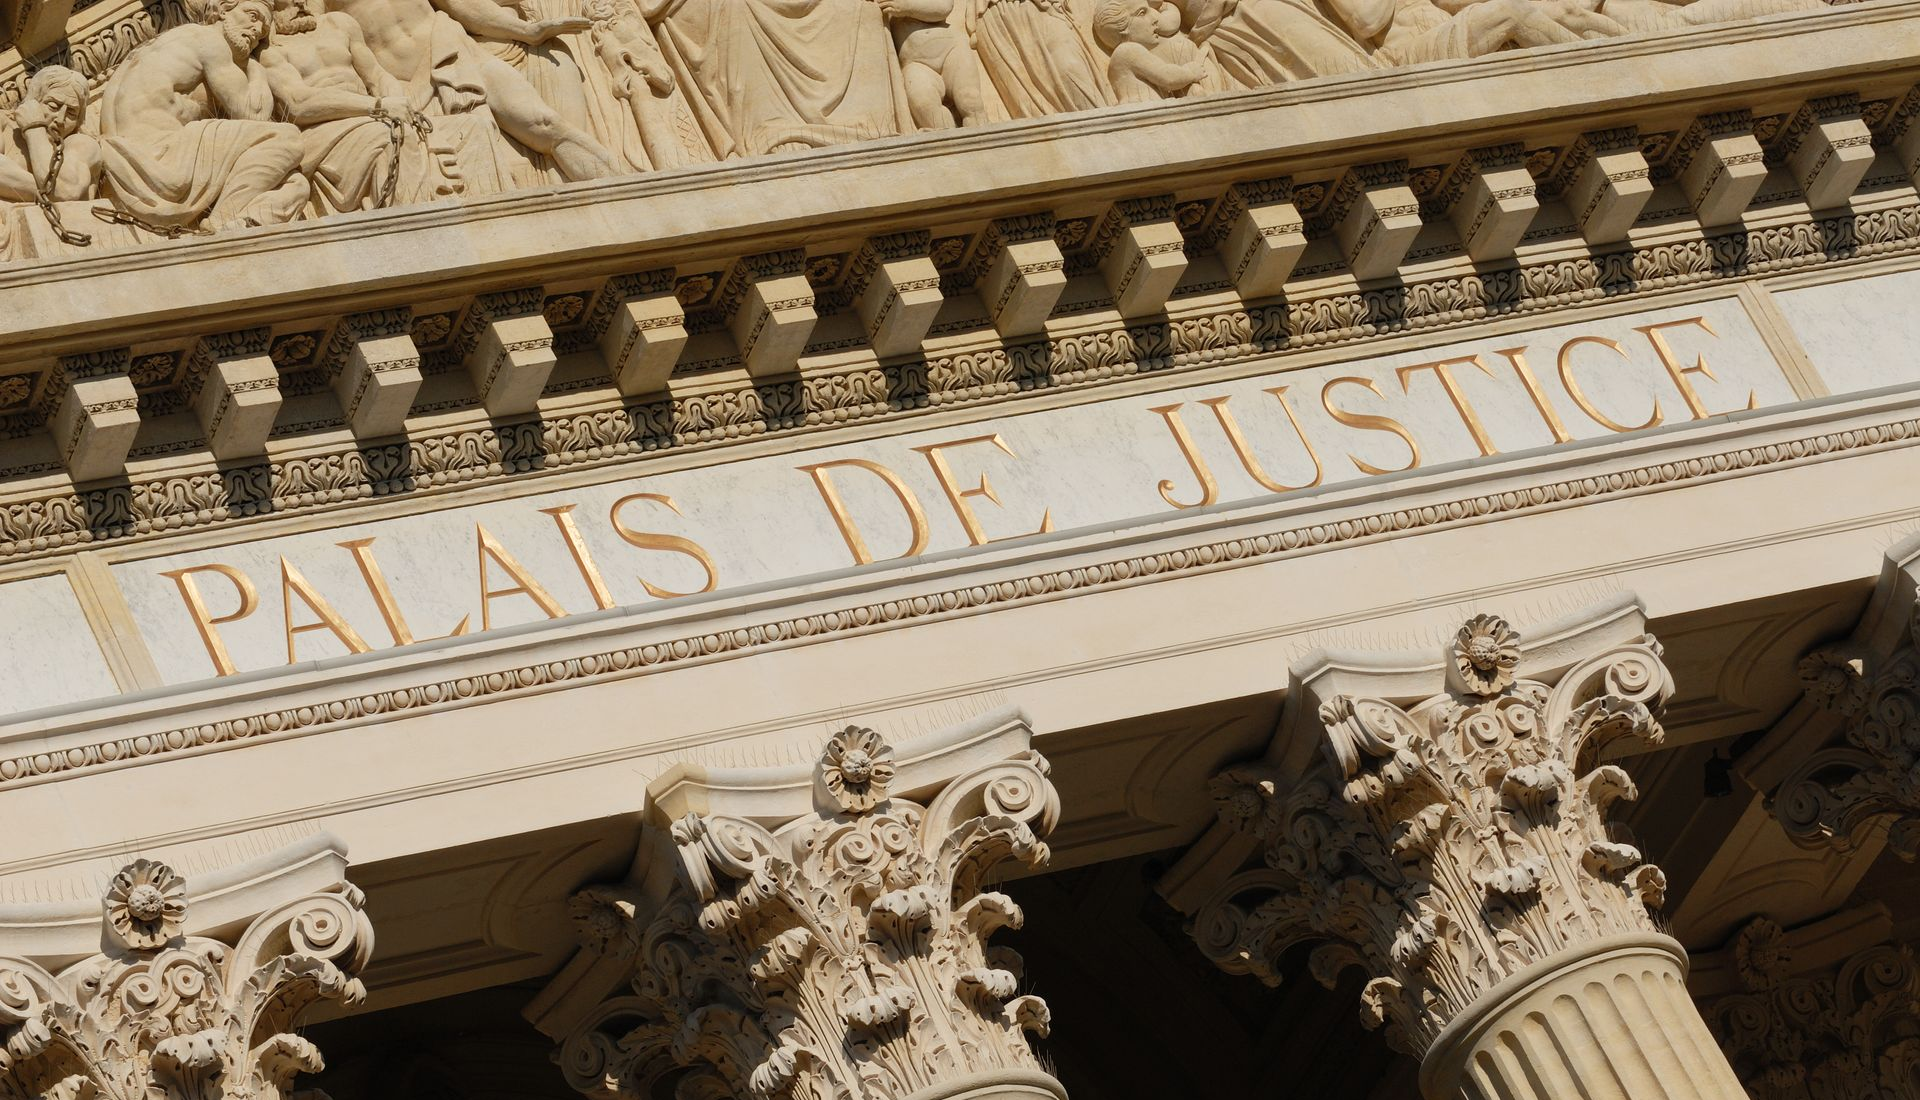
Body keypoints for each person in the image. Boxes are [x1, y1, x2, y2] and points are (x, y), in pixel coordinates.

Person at [324, 0, 617, 180]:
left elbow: (462, 5)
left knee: (543, 123)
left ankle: (614, 191)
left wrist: (526, 31)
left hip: (454, 49)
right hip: (405, 86)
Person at [98, 0, 312, 229]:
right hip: (163, 156)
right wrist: (257, 69)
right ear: (222, 10)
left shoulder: (166, 43)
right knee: (287, 138)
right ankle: (220, 223)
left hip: (130, 157)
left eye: (264, 31)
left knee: (295, 185)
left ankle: (240, 224)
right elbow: (254, 114)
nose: (258, 31)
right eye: (252, 15)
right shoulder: (210, 41)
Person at [258, 0, 417, 213]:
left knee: (458, 128)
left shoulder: (338, 23)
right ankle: (403, 226)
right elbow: (299, 103)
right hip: (321, 131)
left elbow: (376, 75)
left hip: (369, 116)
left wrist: (398, 103)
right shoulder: (267, 48)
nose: (300, 1)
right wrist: (379, 106)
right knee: (385, 139)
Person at [0, 65, 102, 204]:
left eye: (71, 113)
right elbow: (57, 191)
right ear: (33, 101)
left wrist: (34, 128)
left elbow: (66, 190)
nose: (60, 119)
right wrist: (46, 192)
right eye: (53, 106)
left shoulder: (83, 145)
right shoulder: (4, 124)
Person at [1092, 0, 1207, 102]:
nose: (1155, 19)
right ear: (1123, 27)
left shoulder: (1129, 54)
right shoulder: (1128, 51)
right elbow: (1167, 77)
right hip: (1145, 116)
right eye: (1142, 13)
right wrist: (1190, 72)